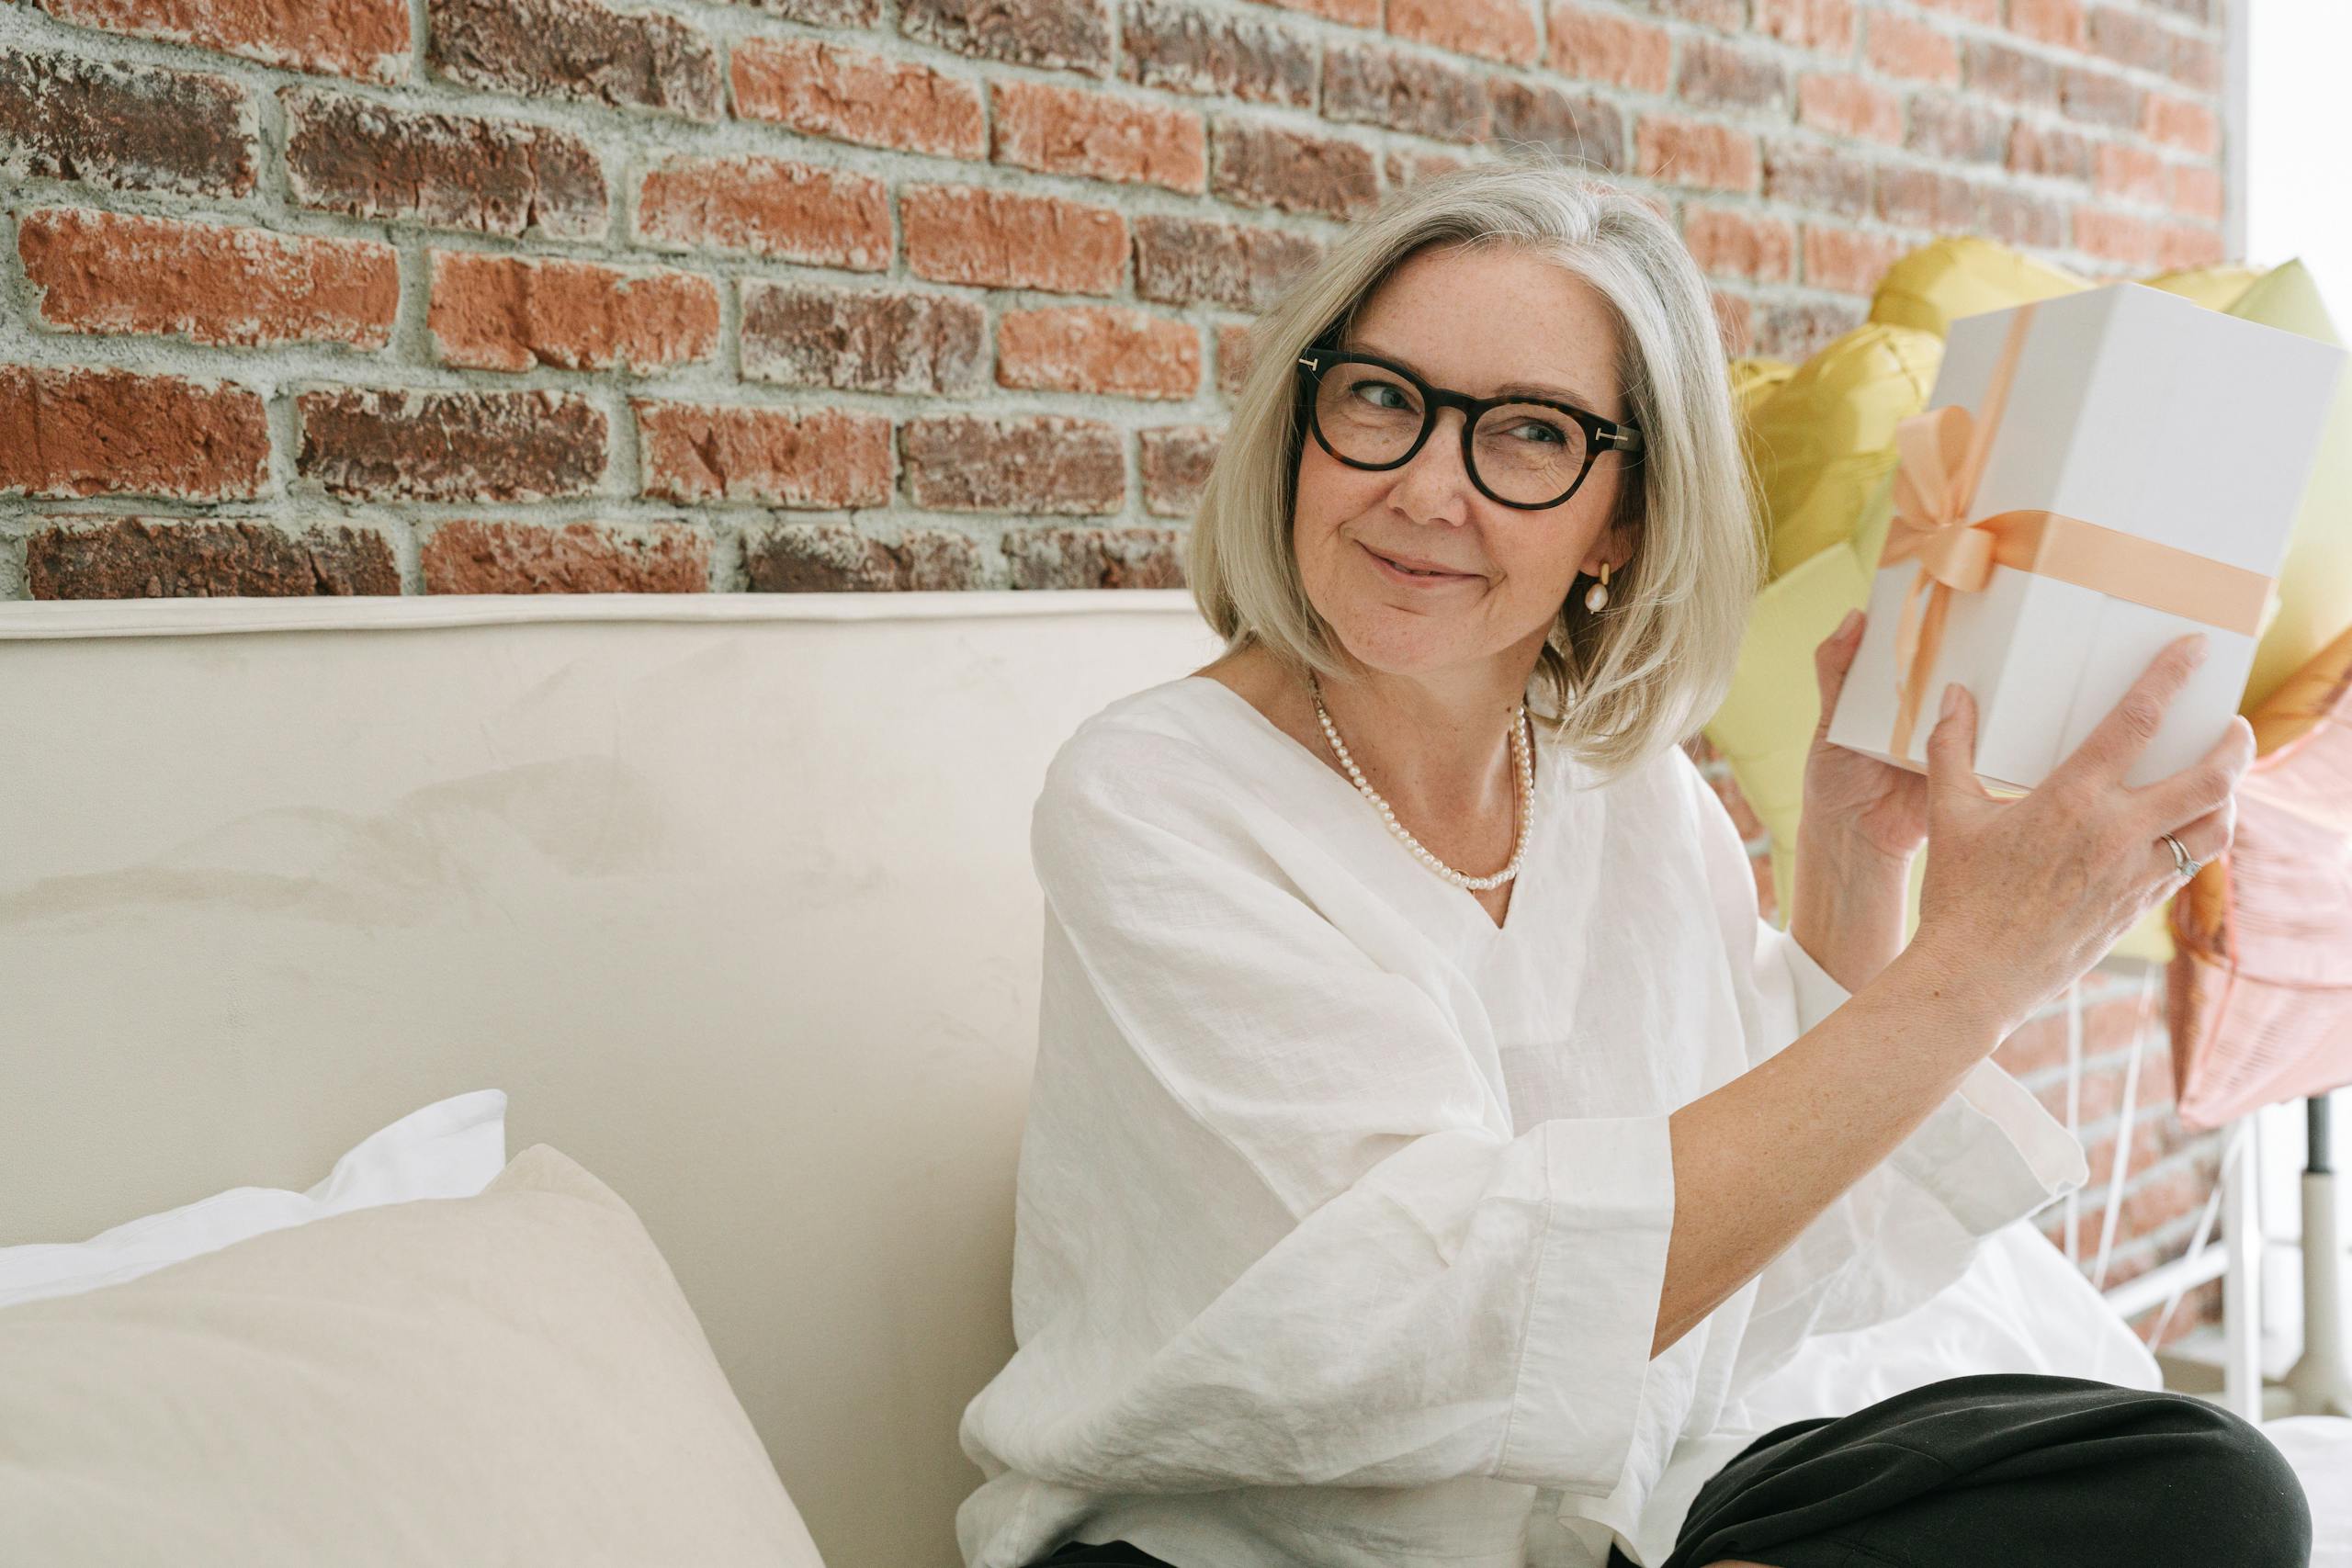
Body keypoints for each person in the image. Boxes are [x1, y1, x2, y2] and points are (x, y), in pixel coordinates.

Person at [954, 152, 2311, 1568]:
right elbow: (1450, 1321)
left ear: (1625, 518)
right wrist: (1981, 973)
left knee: (2203, 1483)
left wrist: (1853, 872)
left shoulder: (1631, 796)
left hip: (1611, 1513)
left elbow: (1754, 1284)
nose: (1426, 488)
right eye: (1380, 399)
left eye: (1529, 435)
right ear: (1303, 426)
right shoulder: (1152, 794)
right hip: (1253, 1537)